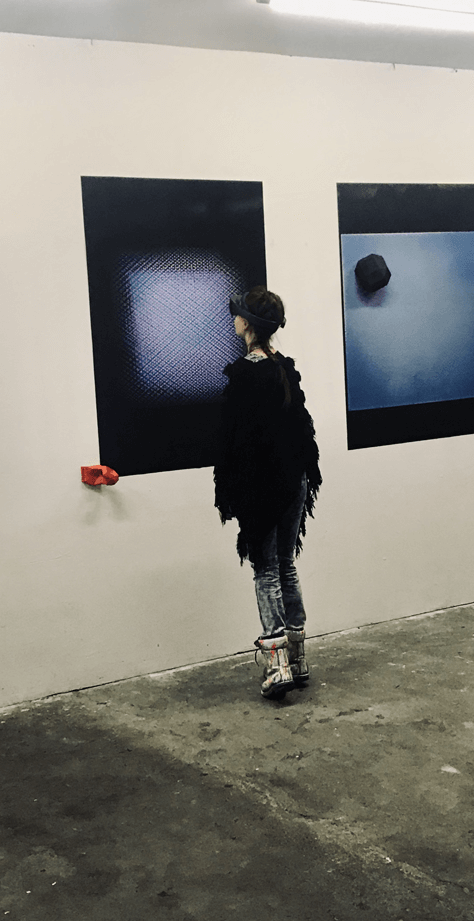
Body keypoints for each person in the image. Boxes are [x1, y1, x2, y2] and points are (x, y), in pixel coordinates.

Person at [213, 285, 322, 699]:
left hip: (263, 487)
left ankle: (277, 668)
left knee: (266, 570)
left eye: (238, 314)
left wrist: (235, 491)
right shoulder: (283, 367)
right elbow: (301, 430)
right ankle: (297, 659)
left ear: (248, 324)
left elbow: (236, 440)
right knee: (285, 565)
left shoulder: (245, 374)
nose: (234, 319)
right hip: (294, 481)